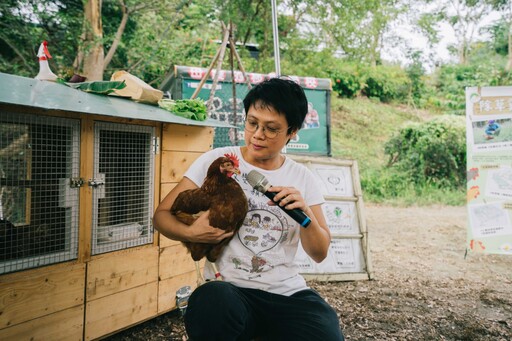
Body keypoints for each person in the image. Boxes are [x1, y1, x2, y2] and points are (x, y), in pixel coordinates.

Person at [153, 78, 344, 341]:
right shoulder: (217, 160)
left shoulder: (303, 178)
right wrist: (194, 233)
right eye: (252, 122)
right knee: (210, 301)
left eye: (271, 128)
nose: (257, 134)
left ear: (293, 131)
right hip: (230, 290)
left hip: (285, 292)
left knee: (325, 333)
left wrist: (307, 218)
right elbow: (161, 216)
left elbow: (320, 253)